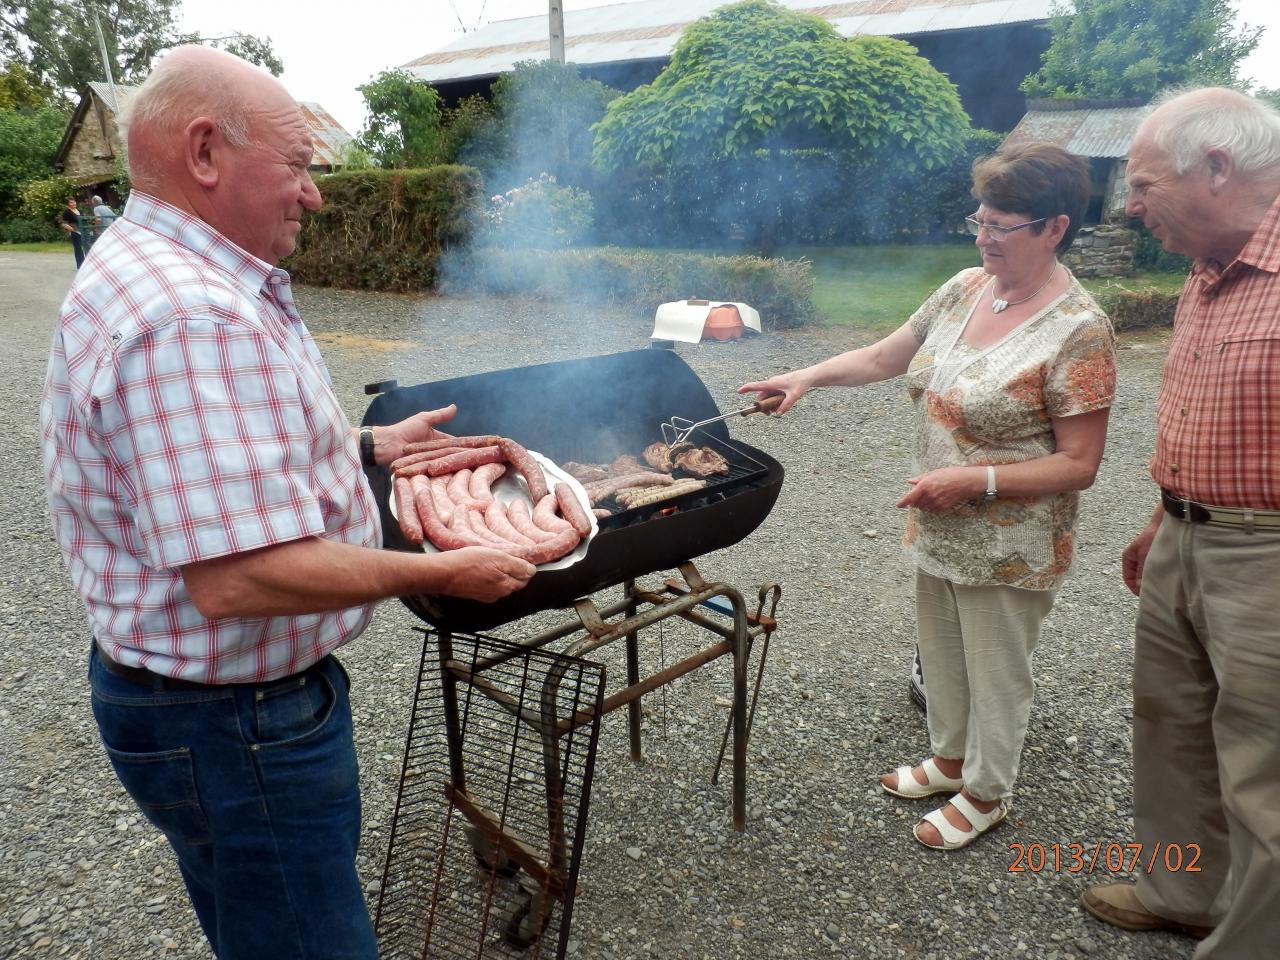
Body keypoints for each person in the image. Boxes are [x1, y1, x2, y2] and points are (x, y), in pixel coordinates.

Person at [39, 46, 535, 960]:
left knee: (259, 928)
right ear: (204, 153)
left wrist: (365, 448)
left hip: (198, 717)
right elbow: (239, 575)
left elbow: (187, 471)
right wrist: (439, 572)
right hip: (234, 727)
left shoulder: (150, 262)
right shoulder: (188, 312)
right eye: (300, 164)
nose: (314, 194)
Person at [741, 143, 1116, 851]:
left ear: (1054, 227)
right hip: (940, 516)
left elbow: (1081, 463)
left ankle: (987, 791)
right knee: (942, 650)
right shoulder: (966, 287)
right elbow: (888, 356)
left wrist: (974, 481)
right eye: (980, 219)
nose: (982, 237)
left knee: (998, 668)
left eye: (1002, 226)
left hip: (1013, 541)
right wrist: (805, 376)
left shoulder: (1081, 329)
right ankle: (949, 759)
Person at [1080, 88, 1280, 960]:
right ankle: (1183, 891)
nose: (1129, 206)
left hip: (1268, 559)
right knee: (1172, 725)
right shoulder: (1206, 270)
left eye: (1143, 185)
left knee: (1267, 769)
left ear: (1218, 169)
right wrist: (1167, 517)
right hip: (1184, 534)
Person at [58, 196, 84, 268]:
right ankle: (80, 265)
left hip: (83, 231)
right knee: (78, 248)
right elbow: (61, 222)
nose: (73, 203)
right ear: (68, 204)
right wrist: (66, 226)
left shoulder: (79, 210)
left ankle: (85, 264)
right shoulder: (67, 212)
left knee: (85, 247)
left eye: (74, 202)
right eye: (71, 202)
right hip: (75, 231)